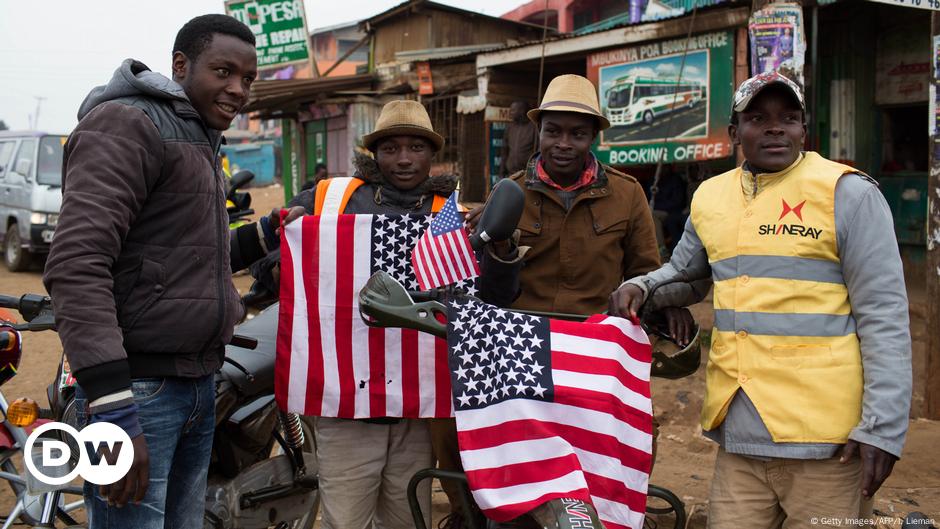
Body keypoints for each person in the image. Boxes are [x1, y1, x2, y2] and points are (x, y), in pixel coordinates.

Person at [614, 72, 912, 528]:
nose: (775, 129)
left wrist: (883, 430)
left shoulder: (848, 194)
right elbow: (687, 275)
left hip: (828, 443)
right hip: (741, 437)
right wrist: (643, 287)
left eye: (788, 118)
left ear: (803, 130)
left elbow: (884, 316)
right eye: (758, 118)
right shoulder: (711, 196)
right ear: (735, 133)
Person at [42, 14, 297, 529]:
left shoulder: (196, 134)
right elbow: (77, 263)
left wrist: (267, 233)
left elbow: (180, 259)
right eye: (224, 71)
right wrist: (114, 409)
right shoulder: (129, 123)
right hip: (137, 391)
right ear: (180, 65)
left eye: (248, 79)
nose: (238, 89)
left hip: (197, 382)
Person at [446, 74, 703, 527]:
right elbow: (491, 290)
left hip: (596, 353)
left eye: (577, 133)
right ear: (539, 131)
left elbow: (647, 269)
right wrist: (498, 249)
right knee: (493, 468)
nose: (564, 143)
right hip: (520, 354)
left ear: (593, 137)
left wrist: (665, 301)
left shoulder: (627, 194)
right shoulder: (509, 192)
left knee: (623, 450)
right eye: (554, 131)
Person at [306, 99, 522, 529]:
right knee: (345, 520)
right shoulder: (333, 200)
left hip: (420, 403)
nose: (404, 159)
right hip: (349, 402)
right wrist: (286, 239)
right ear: (375, 153)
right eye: (391, 148)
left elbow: (494, 298)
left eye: (416, 147)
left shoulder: (455, 214)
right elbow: (285, 266)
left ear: (432, 153)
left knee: (409, 516)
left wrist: (500, 249)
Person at [499, 100, 538, 178]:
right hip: (511, 174)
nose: (510, 112)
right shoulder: (510, 127)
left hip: (527, 174)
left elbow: (538, 151)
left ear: (522, 110)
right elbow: (504, 151)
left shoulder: (534, 127)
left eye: (513, 110)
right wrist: (501, 172)